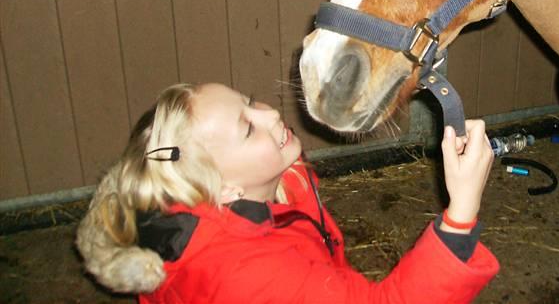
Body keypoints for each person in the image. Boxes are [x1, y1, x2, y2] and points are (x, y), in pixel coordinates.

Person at [77, 82, 499, 303]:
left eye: (250, 102)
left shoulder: (216, 195)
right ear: (224, 189)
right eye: (246, 128)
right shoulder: (246, 279)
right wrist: (460, 213)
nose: (270, 113)